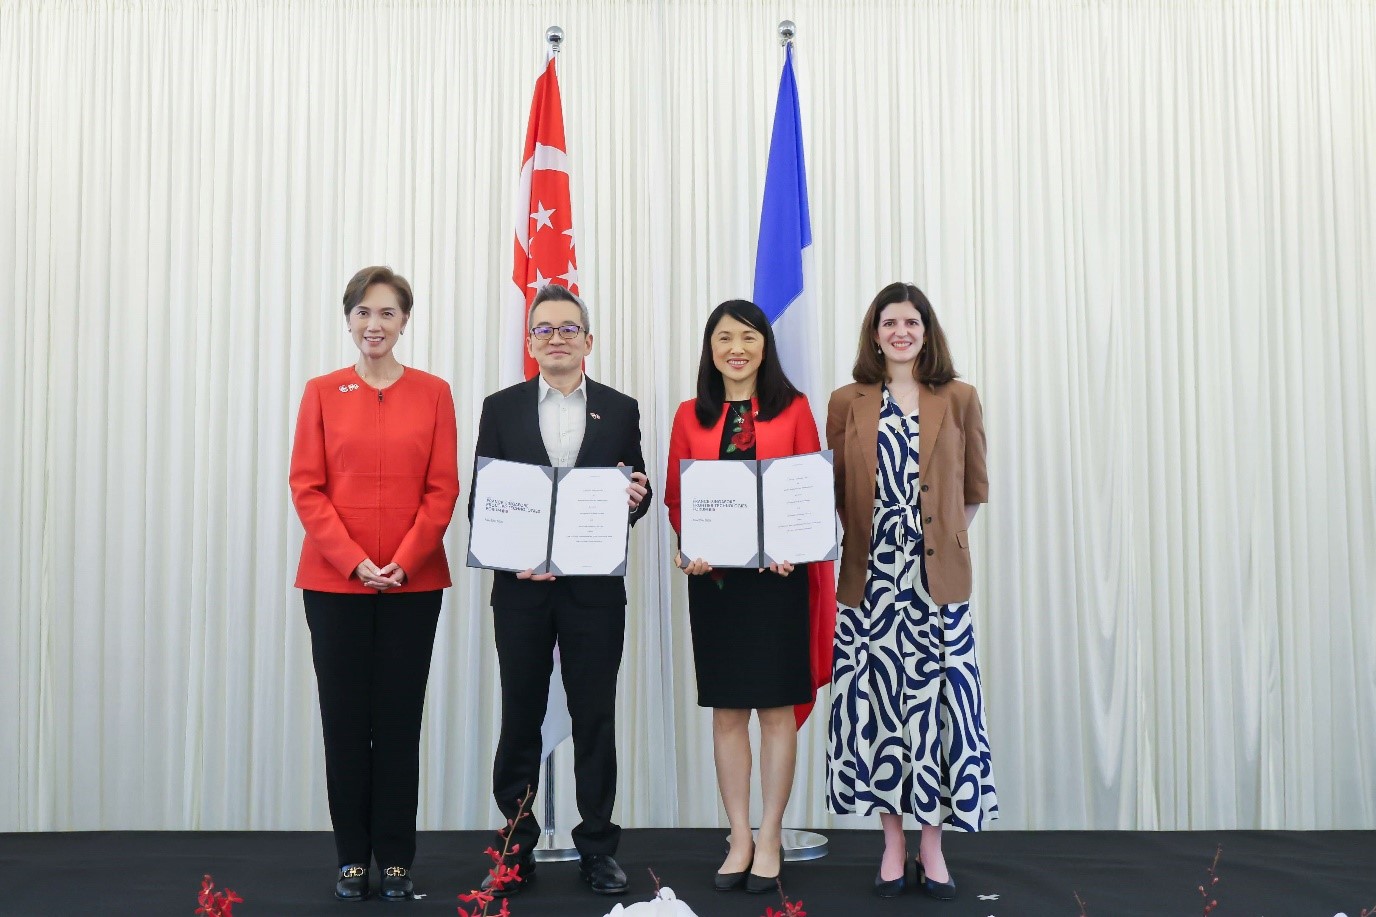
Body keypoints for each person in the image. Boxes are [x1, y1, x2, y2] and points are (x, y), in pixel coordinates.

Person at [472, 284, 651, 898]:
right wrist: (512, 554)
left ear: (588, 341)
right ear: (529, 341)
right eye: (544, 329)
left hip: (593, 591)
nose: (556, 338)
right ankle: (515, 846)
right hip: (520, 592)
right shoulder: (500, 408)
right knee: (520, 714)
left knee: (594, 716)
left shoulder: (622, 409)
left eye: (568, 328)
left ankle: (598, 848)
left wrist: (636, 498)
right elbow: (484, 501)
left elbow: (638, 490)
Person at [289, 266, 460, 902]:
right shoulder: (322, 392)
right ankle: (350, 859)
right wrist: (354, 561)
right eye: (363, 313)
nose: (374, 325)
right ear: (349, 320)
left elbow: (442, 489)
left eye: (386, 313)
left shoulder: (435, 393)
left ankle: (394, 858)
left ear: (405, 321)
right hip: (335, 585)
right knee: (344, 722)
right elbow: (307, 487)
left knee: (397, 723)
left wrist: (406, 560)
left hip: (413, 587)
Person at [825, 281, 998, 901]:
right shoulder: (848, 401)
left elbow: (973, 490)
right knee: (880, 712)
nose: (901, 332)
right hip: (869, 583)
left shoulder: (959, 397)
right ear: (875, 333)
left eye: (912, 322)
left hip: (935, 588)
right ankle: (892, 845)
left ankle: (933, 846)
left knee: (939, 712)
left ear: (927, 331)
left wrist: (938, 543)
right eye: (889, 322)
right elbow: (834, 492)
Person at [663, 300, 835, 895]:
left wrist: (797, 543)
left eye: (749, 337)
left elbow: (811, 490)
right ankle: (737, 835)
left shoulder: (795, 409)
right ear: (710, 349)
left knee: (776, 712)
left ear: (766, 346)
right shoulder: (690, 414)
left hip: (779, 584)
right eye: (723, 337)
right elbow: (678, 499)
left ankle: (769, 833)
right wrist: (687, 548)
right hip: (716, 585)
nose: (736, 347)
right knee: (729, 711)